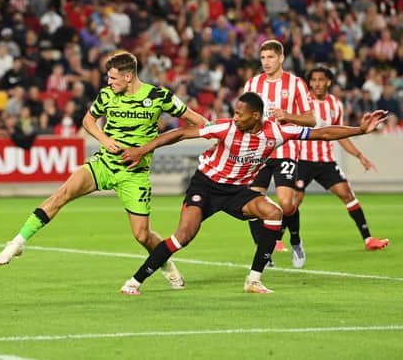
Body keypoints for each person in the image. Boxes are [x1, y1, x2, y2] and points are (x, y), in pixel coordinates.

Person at [118, 93, 387, 295]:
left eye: (240, 113)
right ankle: (135, 281)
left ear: (255, 116)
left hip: (237, 191)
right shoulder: (225, 128)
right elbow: (181, 134)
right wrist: (143, 149)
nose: (235, 117)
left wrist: (360, 130)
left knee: (274, 213)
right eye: (234, 112)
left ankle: (254, 280)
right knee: (183, 236)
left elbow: (323, 132)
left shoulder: (278, 131)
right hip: (206, 185)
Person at [0, 51, 207, 289]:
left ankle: (166, 264)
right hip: (103, 164)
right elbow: (88, 121)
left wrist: (156, 145)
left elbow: (196, 120)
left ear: (128, 77)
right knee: (62, 193)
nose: (108, 82)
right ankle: (18, 242)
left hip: (133, 174)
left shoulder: (159, 96)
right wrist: (105, 140)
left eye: (113, 78)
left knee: (142, 235)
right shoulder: (107, 95)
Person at [293, 67, 389, 250]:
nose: (317, 83)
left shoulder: (335, 104)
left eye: (321, 79)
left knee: (347, 194)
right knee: (294, 200)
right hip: (302, 159)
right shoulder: (302, 103)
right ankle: (279, 240)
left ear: (329, 82)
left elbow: (340, 134)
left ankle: (368, 239)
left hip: (326, 161)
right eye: (313, 80)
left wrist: (359, 155)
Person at [243, 39, 315, 268]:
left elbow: (311, 119)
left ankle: (295, 240)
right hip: (258, 151)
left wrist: (288, 116)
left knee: (285, 204)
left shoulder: (295, 83)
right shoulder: (253, 84)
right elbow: (243, 115)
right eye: (263, 58)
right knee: (252, 202)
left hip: (285, 148)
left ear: (281, 58)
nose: (266, 62)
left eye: (271, 57)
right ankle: (265, 254)